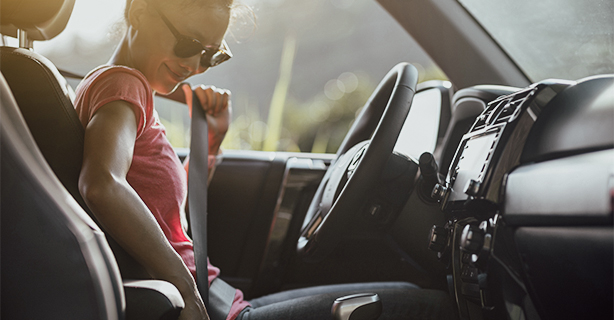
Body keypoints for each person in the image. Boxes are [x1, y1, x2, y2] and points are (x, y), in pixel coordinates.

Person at [74, 0, 457, 319]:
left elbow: (166, 213)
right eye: (189, 44)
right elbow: (103, 185)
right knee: (433, 308)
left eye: (212, 55)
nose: (194, 66)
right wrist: (188, 291)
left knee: (409, 292)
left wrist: (211, 141)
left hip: (222, 299)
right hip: (204, 305)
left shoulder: (120, 91)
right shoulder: (123, 86)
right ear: (139, 12)